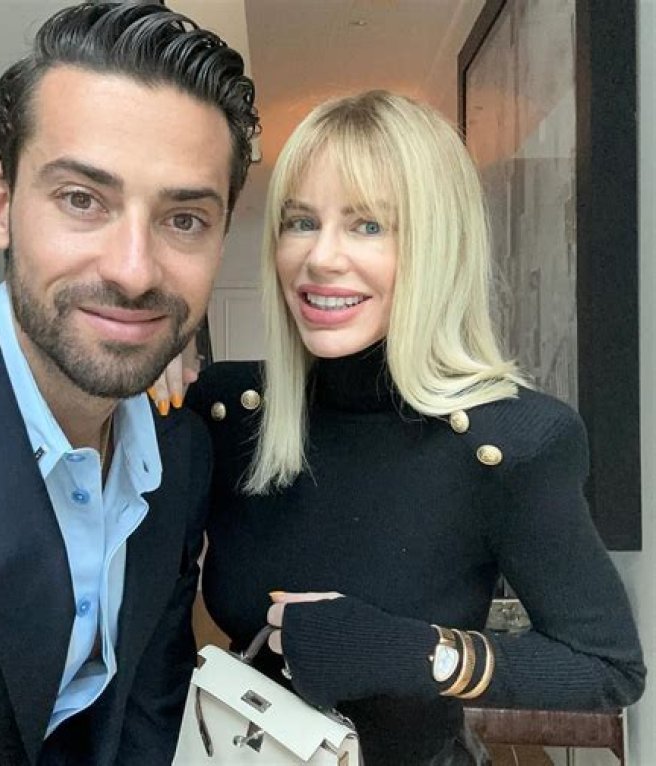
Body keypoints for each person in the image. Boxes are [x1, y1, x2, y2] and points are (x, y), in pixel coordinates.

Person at [177, 91, 646, 764]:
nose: (320, 257)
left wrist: (404, 650)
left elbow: (607, 668)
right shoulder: (230, 411)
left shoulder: (510, 444)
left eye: (368, 225)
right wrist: (150, 366)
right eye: (301, 221)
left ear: (438, 246)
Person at [0, 3, 258, 764]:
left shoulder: (180, 451)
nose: (134, 271)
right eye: (83, 200)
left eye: (184, 219)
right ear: (0, 204)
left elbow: (149, 695)